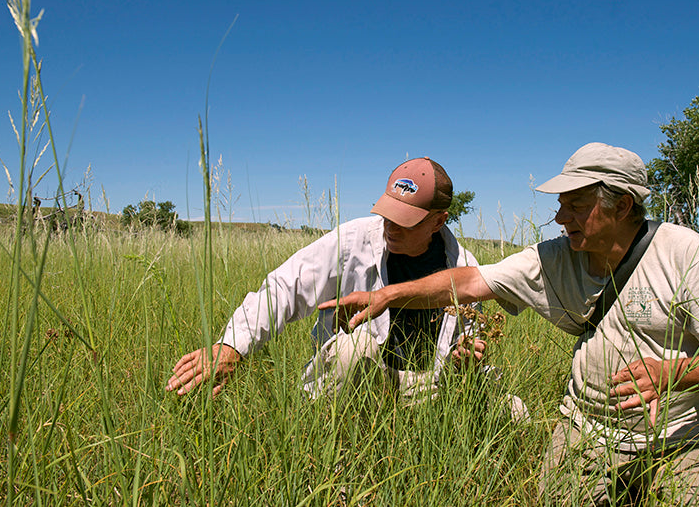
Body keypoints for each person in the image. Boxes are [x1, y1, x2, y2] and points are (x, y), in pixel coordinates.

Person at [322, 143, 699, 506]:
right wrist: (387, 296)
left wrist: (673, 375)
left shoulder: (684, 253)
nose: (561, 218)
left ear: (623, 205)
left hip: (681, 433)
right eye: (560, 205)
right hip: (586, 428)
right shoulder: (554, 258)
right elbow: (472, 281)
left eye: (577, 206)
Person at [166, 157, 488, 400]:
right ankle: (331, 465)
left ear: (438, 221)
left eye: (406, 222)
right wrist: (232, 345)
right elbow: (285, 287)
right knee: (356, 348)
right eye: (389, 213)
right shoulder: (355, 240)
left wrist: (467, 357)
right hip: (362, 380)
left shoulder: (464, 269)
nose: (391, 227)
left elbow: (470, 345)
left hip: (426, 390)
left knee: (514, 408)